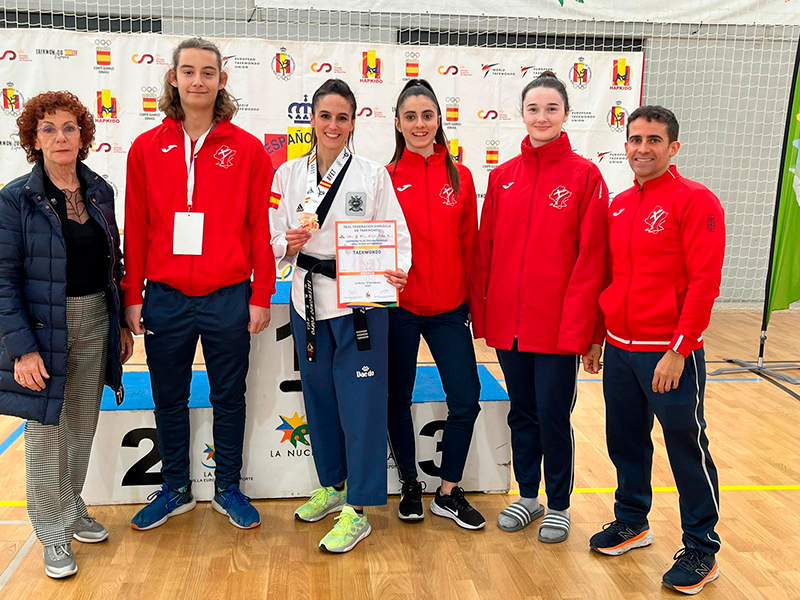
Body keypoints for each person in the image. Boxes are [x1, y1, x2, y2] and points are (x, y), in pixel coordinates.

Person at [122, 37, 275, 531]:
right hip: (165, 297)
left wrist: (260, 294)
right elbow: (138, 225)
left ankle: (227, 488)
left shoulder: (248, 149)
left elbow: (258, 227)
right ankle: (175, 489)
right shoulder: (146, 148)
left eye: (208, 73)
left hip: (227, 294)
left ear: (222, 81)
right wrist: (133, 294)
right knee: (169, 396)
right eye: (188, 72)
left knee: (229, 396)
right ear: (173, 78)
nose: (197, 81)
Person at [586, 106, 725, 595]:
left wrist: (679, 350)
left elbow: (705, 284)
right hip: (620, 352)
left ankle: (702, 547)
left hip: (668, 353)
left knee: (686, 446)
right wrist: (599, 335)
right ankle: (632, 522)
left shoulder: (696, 201)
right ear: (625, 146)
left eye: (653, 140)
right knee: (625, 441)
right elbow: (610, 277)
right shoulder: (620, 204)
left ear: (673, 147)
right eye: (634, 139)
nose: (642, 148)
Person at [269, 78, 412, 553]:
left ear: (354, 122)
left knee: (364, 407)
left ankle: (360, 508)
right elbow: (270, 234)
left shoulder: (372, 174)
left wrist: (398, 271)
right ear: (311, 119)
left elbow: (399, 235)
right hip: (308, 299)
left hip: (360, 305)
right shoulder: (288, 174)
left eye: (342, 117)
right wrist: (282, 246)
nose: (333, 125)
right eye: (325, 116)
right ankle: (332, 485)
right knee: (321, 400)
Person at [0, 91, 133, 578]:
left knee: (80, 426)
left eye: (69, 127)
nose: (61, 137)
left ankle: (71, 507)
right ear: (34, 138)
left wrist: (118, 321)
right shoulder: (15, 198)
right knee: (45, 434)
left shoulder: (99, 190)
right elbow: (3, 279)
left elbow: (111, 265)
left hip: (96, 318)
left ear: (83, 135)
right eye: (49, 128)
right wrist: (22, 350)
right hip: (42, 329)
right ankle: (50, 532)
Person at [470, 72, 608, 543]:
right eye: (534, 109)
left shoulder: (585, 176)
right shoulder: (503, 177)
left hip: (557, 328)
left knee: (553, 414)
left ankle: (560, 503)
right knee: (521, 412)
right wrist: (485, 314)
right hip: (510, 324)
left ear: (566, 114)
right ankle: (527, 495)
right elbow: (485, 251)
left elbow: (592, 259)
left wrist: (583, 330)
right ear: (522, 114)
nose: (542, 117)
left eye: (551, 109)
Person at [386, 79, 484, 529]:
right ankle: (409, 482)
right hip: (401, 311)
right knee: (395, 399)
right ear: (399, 123)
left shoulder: (461, 177)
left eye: (427, 116)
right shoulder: (384, 178)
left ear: (439, 120)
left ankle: (448, 491)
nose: (420, 124)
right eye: (411, 117)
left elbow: (471, 250)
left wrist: (472, 308)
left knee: (466, 398)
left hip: (448, 310)